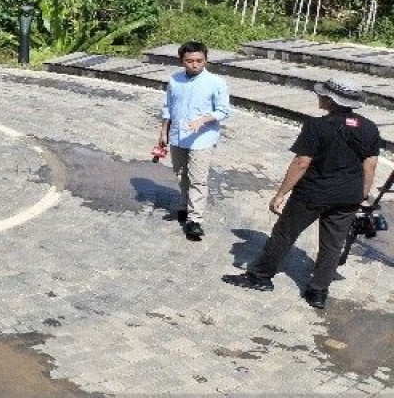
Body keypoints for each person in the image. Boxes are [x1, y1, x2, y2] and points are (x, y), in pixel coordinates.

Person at [223, 78, 380, 310]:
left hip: (313, 193)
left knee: (284, 234)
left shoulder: (317, 126)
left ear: (330, 99)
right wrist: (361, 195)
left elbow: (301, 163)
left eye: (322, 94)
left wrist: (280, 194)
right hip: (348, 196)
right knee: (332, 244)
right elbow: (371, 166)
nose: (319, 97)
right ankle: (318, 292)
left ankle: (260, 276)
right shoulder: (369, 127)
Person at [158, 41, 231, 241]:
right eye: (189, 61)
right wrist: (163, 132)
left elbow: (224, 110)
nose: (195, 65)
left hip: (202, 138)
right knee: (181, 174)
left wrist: (204, 120)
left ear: (205, 60)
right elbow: (168, 108)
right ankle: (183, 207)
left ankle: (195, 219)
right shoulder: (175, 80)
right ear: (182, 61)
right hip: (178, 136)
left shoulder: (216, 83)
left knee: (198, 178)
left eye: (199, 60)